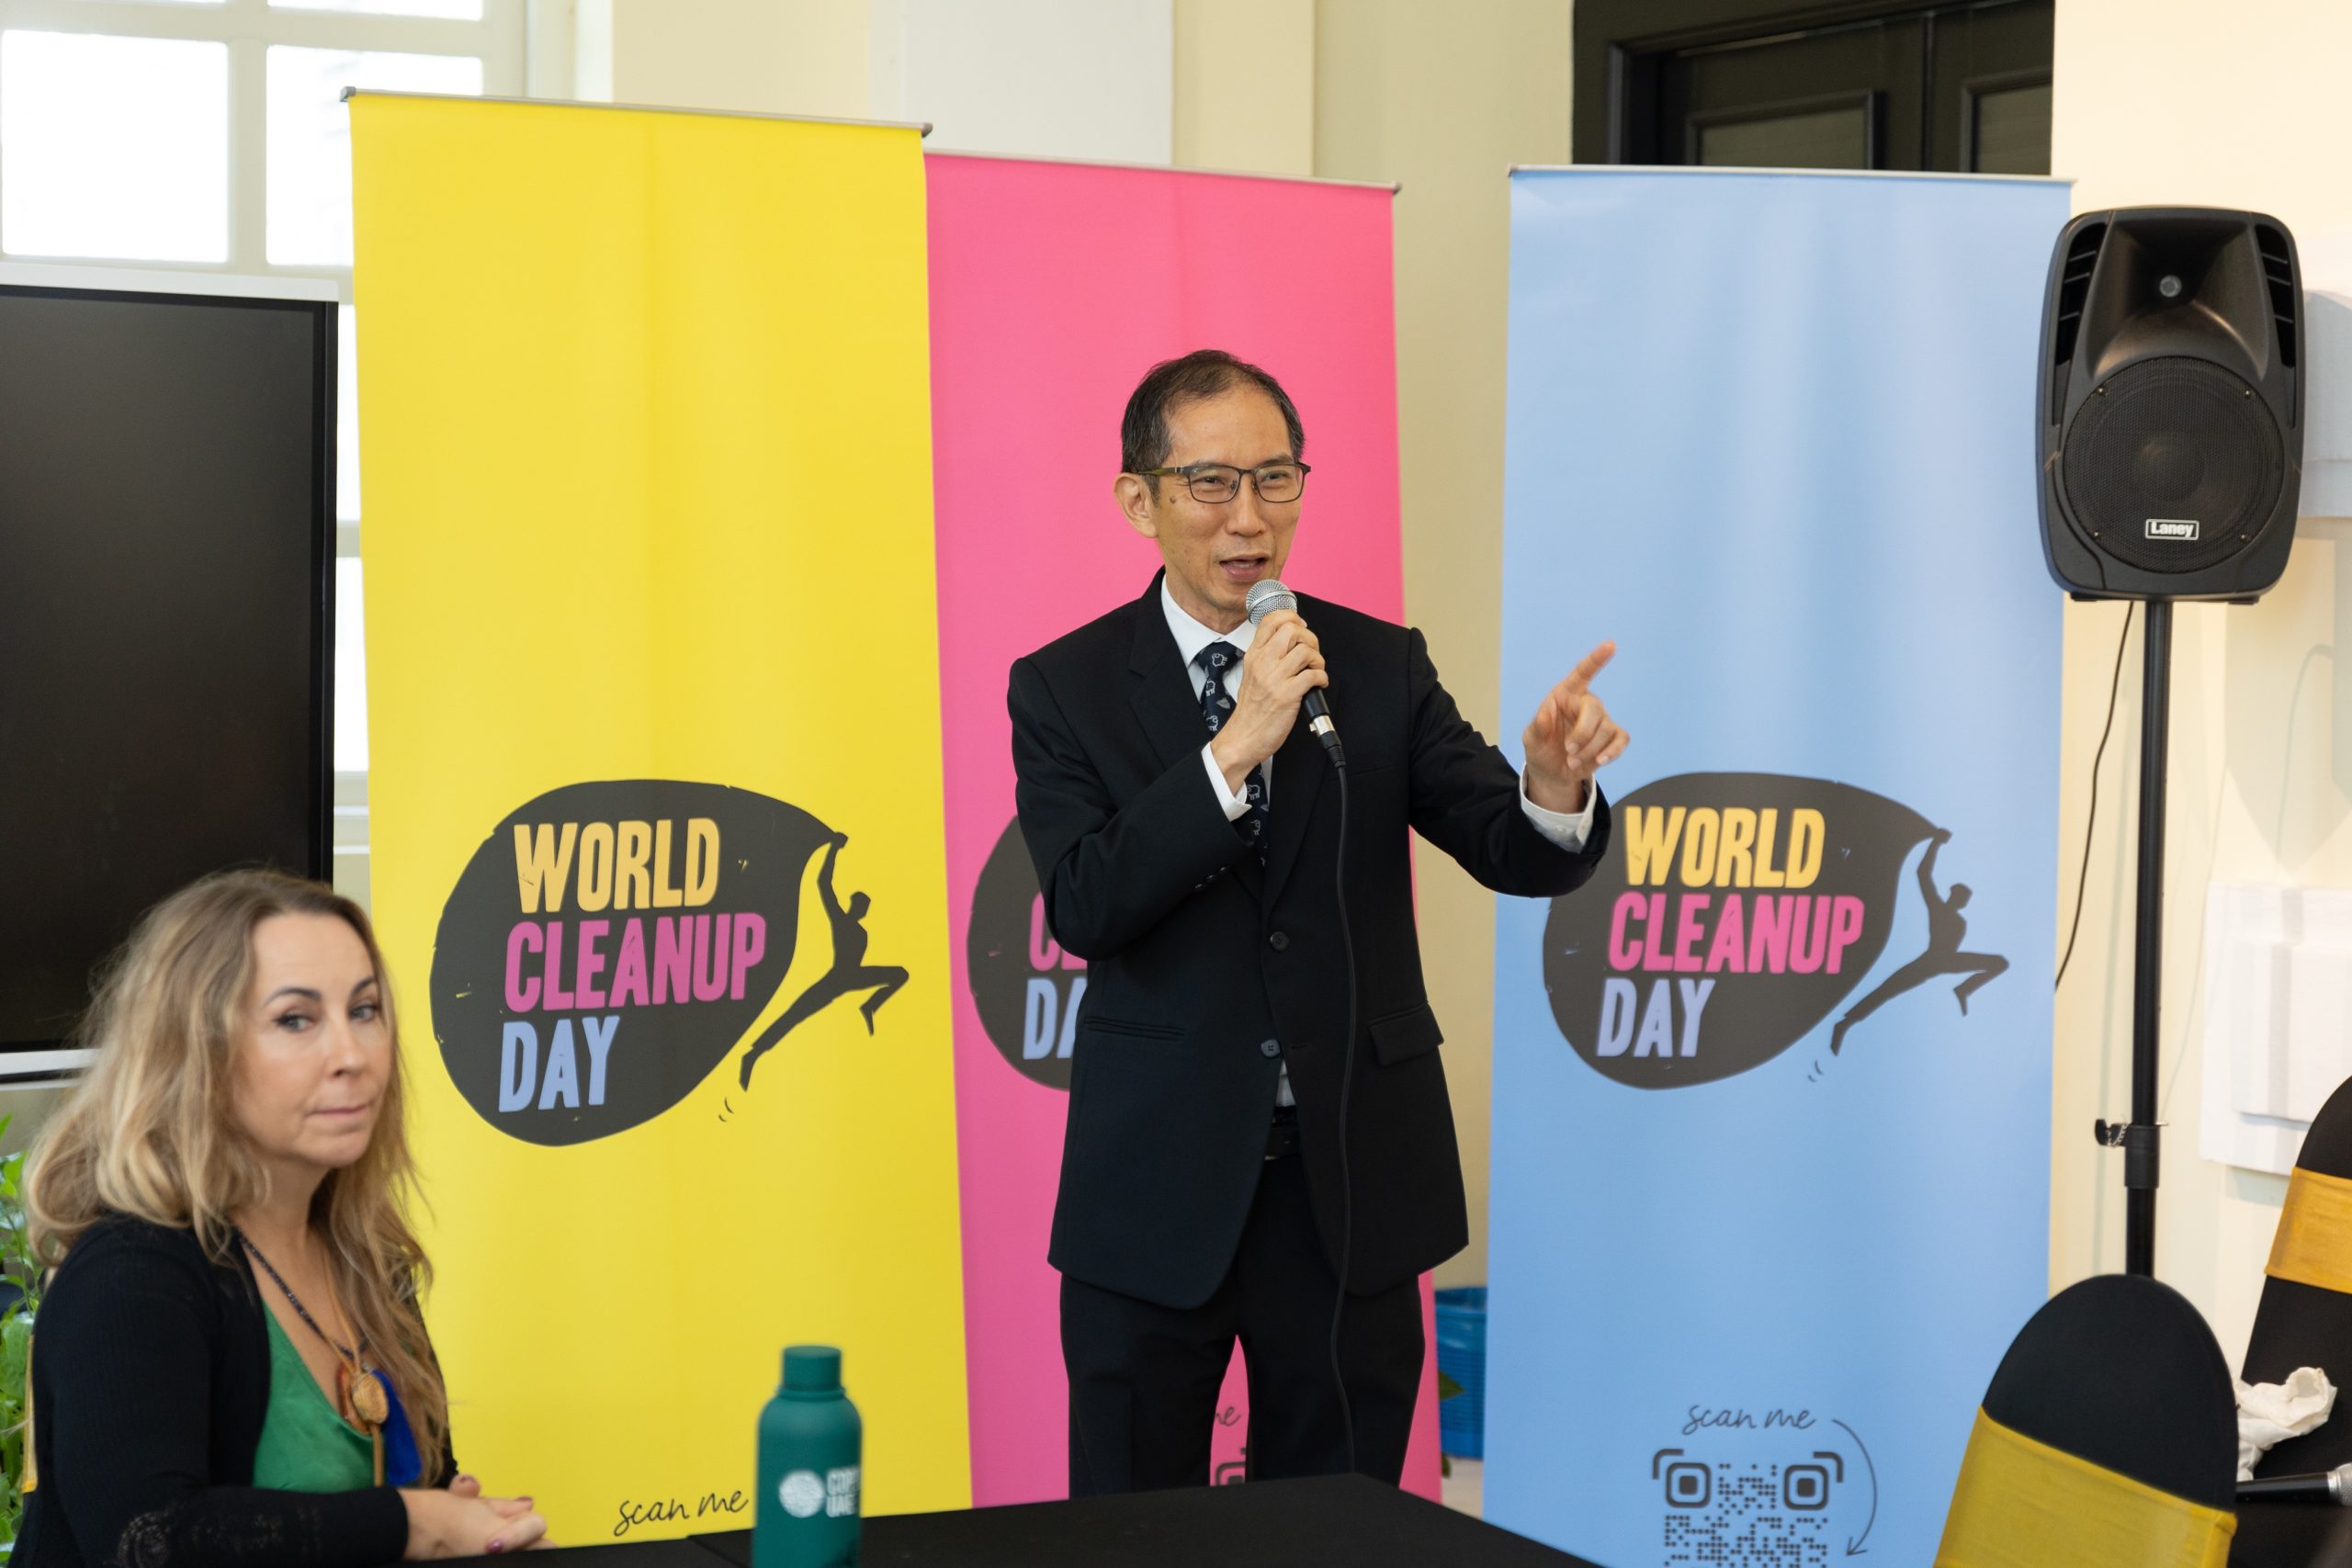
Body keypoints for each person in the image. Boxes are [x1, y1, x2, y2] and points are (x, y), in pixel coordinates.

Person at [1009, 349, 1629, 1494]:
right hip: (1154, 1184)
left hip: (1349, 1177)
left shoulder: (1378, 665)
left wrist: (1551, 784)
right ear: (1139, 500)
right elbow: (1087, 902)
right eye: (1210, 483)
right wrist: (1236, 745)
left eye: (1275, 478)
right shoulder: (1064, 686)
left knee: (1339, 1526)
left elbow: (1508, 846)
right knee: (1127, 1529)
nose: (1248, 517)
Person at [16, 869, 548, 1564]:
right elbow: (145, 1541)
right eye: (296, 1019)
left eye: (364, 1010)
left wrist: (461, 1518)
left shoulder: (368, 1255)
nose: (352, 1055)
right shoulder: (130, 1274)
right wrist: (413, 1523)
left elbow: (419, 1487)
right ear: (196, 1052)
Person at [1828, 829, 2009, 1055]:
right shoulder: (1939, 909)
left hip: (1948, 960)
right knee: (1887, 990)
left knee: (2000, 963)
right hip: (1930, 961)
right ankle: (1845, 1023)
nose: (1964, 901)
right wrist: (1936, 843)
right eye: (1962, 896)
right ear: (1954, 895)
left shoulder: (1959, 921)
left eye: (1966, 899)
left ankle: (1964, 989)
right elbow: (1923, 873)